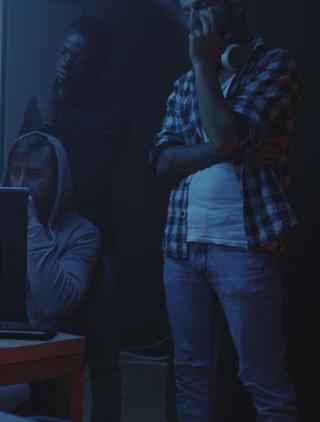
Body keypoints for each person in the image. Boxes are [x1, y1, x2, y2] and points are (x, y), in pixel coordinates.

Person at [149, 0, 304, 420]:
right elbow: (163, 162)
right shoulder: (183, 84)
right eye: (185, 9)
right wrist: (225, 147)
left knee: (262, 378)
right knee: (190, 375)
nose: (193, 17)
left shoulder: (276, 65)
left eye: (202, 4)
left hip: (245, 246)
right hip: (181, 248)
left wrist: (203, 65)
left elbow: (224, 134)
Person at [20, 16, 128, 421]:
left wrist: (49, 124)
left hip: (91, 243)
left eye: (79, 57)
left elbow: (77, 181)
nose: (66, 62)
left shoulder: (111, 116)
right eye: (63, 52)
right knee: (46, 347)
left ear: (97, 64)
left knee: (102, 354)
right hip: (43, 236)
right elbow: (23, 165)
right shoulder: (40, 101)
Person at [0, 131, 101, 415]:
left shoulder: (82, 234)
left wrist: (31, 225)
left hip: (38, 356)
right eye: (15, 172)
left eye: (34, 174)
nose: (21, 184)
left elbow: (54, 303)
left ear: (57, 179)